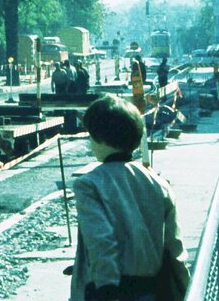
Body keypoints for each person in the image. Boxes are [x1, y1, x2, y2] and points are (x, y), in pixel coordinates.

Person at [69, 95, 190, 301]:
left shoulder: (89, 185)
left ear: (100, 138)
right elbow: (175, 248)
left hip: (109, 291)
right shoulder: (158, 183)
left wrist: (106, 288)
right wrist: (186, 288)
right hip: (152, 290)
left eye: (90, 135)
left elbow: (101, 240)